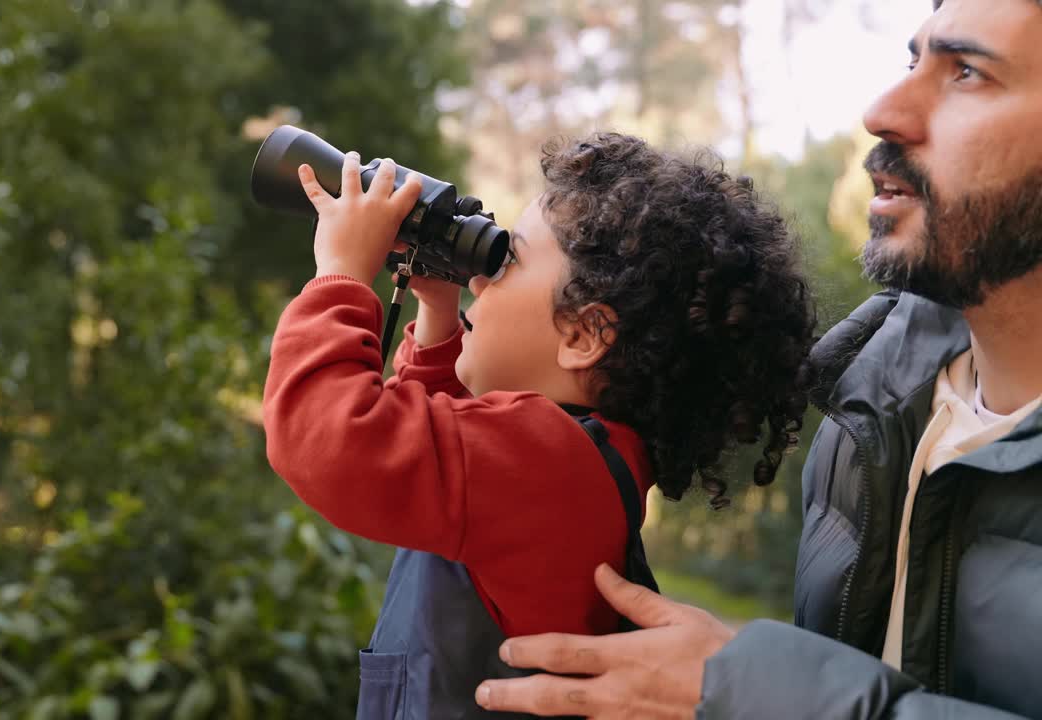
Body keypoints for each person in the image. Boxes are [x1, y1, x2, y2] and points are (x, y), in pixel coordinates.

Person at [473, 0, 1042, 717]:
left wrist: (755, 691)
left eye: (966, 72)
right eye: (911, 61)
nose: (882, 111)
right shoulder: (865, 406)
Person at [262, 135, 816, 717]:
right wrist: (439, 309)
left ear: (582, 335)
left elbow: (330, 441)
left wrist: (342, 274)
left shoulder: (550, 464)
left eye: (506, 261)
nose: (478, 280)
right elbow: (439, 461)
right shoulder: (578, 465)